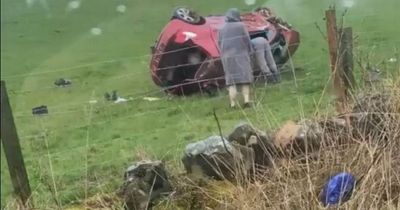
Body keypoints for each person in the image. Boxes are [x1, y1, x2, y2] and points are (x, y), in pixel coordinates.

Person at [218, 8, 254, 108]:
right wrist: (250, 51)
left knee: (231, 82)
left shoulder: (221, 28)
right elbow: (247, 40)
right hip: (241, 55)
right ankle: (246, 101)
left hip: (227, 58)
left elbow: (219, 43)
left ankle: (233, 104)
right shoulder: (241, 26)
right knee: (244, 79)